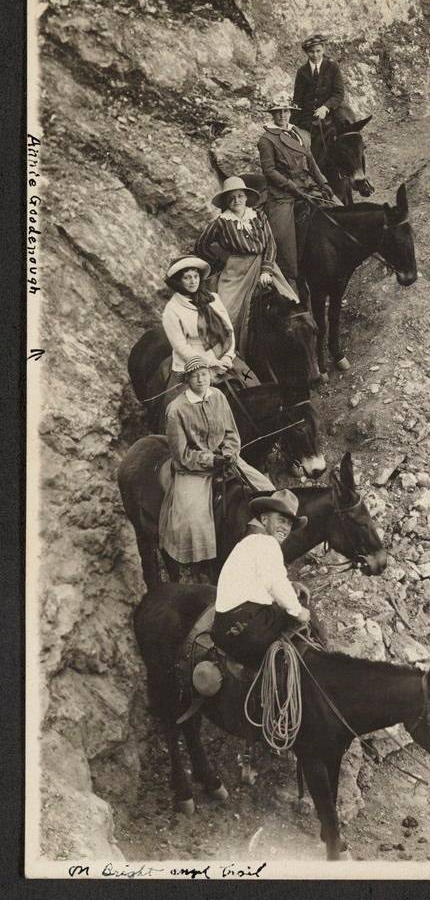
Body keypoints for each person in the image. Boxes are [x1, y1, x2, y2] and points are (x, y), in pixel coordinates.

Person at [158, 355, 275, 583]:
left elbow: (231, 432)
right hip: (194, 469)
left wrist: (230, 453)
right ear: (187, 379)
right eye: (195, 376)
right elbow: (181, 454)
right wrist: (210, 460)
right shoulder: (176, 410)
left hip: (226, 459)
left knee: (267, 489)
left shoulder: (219, 397)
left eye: (204, 374)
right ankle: (197, 569)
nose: (201, 380)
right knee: (193, 519)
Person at [194, 177, 298, 362]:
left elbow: (270, 245)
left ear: (246, 197)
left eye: (240, 196)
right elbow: (201, 246)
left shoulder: (258, 215)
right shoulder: (221, 222)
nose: (236, 201)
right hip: (236, 272)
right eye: (232, 198)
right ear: (226, 201)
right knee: (226, 314)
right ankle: (234, 357)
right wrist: (220, 263)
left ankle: (296, 349)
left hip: (264, 265)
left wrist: (266, 270)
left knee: (292, 302)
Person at [212, 490, 311, 663]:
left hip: (224, 623)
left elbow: (265, 579)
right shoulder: (267, 542)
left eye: (289, 524)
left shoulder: (251, 542)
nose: (285, 528)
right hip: (246, 625)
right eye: (281, 520)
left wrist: (290, 585)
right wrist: (299, 611)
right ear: (265, 520)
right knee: (300, 622)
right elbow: (276, 584)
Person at [257, 100, 342, 293]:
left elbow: (311, 163)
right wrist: (292, 188)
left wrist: (325, 184)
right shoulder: (266, 139)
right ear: (273, 115)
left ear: (290, 112)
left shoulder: (301, 134)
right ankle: (289, 277)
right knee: (281, 235)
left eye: (286, 111)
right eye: (278, 112)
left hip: (308, 184)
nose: (283, 115)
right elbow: (269, 171)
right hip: (283, 192)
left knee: (340, 209)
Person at [161, 255, 235, 395]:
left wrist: (228, 357)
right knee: (184, 406)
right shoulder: (172, 310)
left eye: (195, 276)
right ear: (178, 281)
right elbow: (181, 347)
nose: (193, 281)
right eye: (187, 277)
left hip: (223, 357)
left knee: (250, 379)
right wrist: (210, 362)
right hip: (192, 365)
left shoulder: (213, 299)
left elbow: (228, 330)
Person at [292, 33, 346, 135]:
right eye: (311, 52)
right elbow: (298, 98)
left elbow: (339, 93)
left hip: (330, 112)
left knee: (346, 132)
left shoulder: (332, 67)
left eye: (318, 51)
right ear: (306, 52)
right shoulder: (302, 72)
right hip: (308, 116)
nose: (315, 55)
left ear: (323, 49)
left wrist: (325, 107)